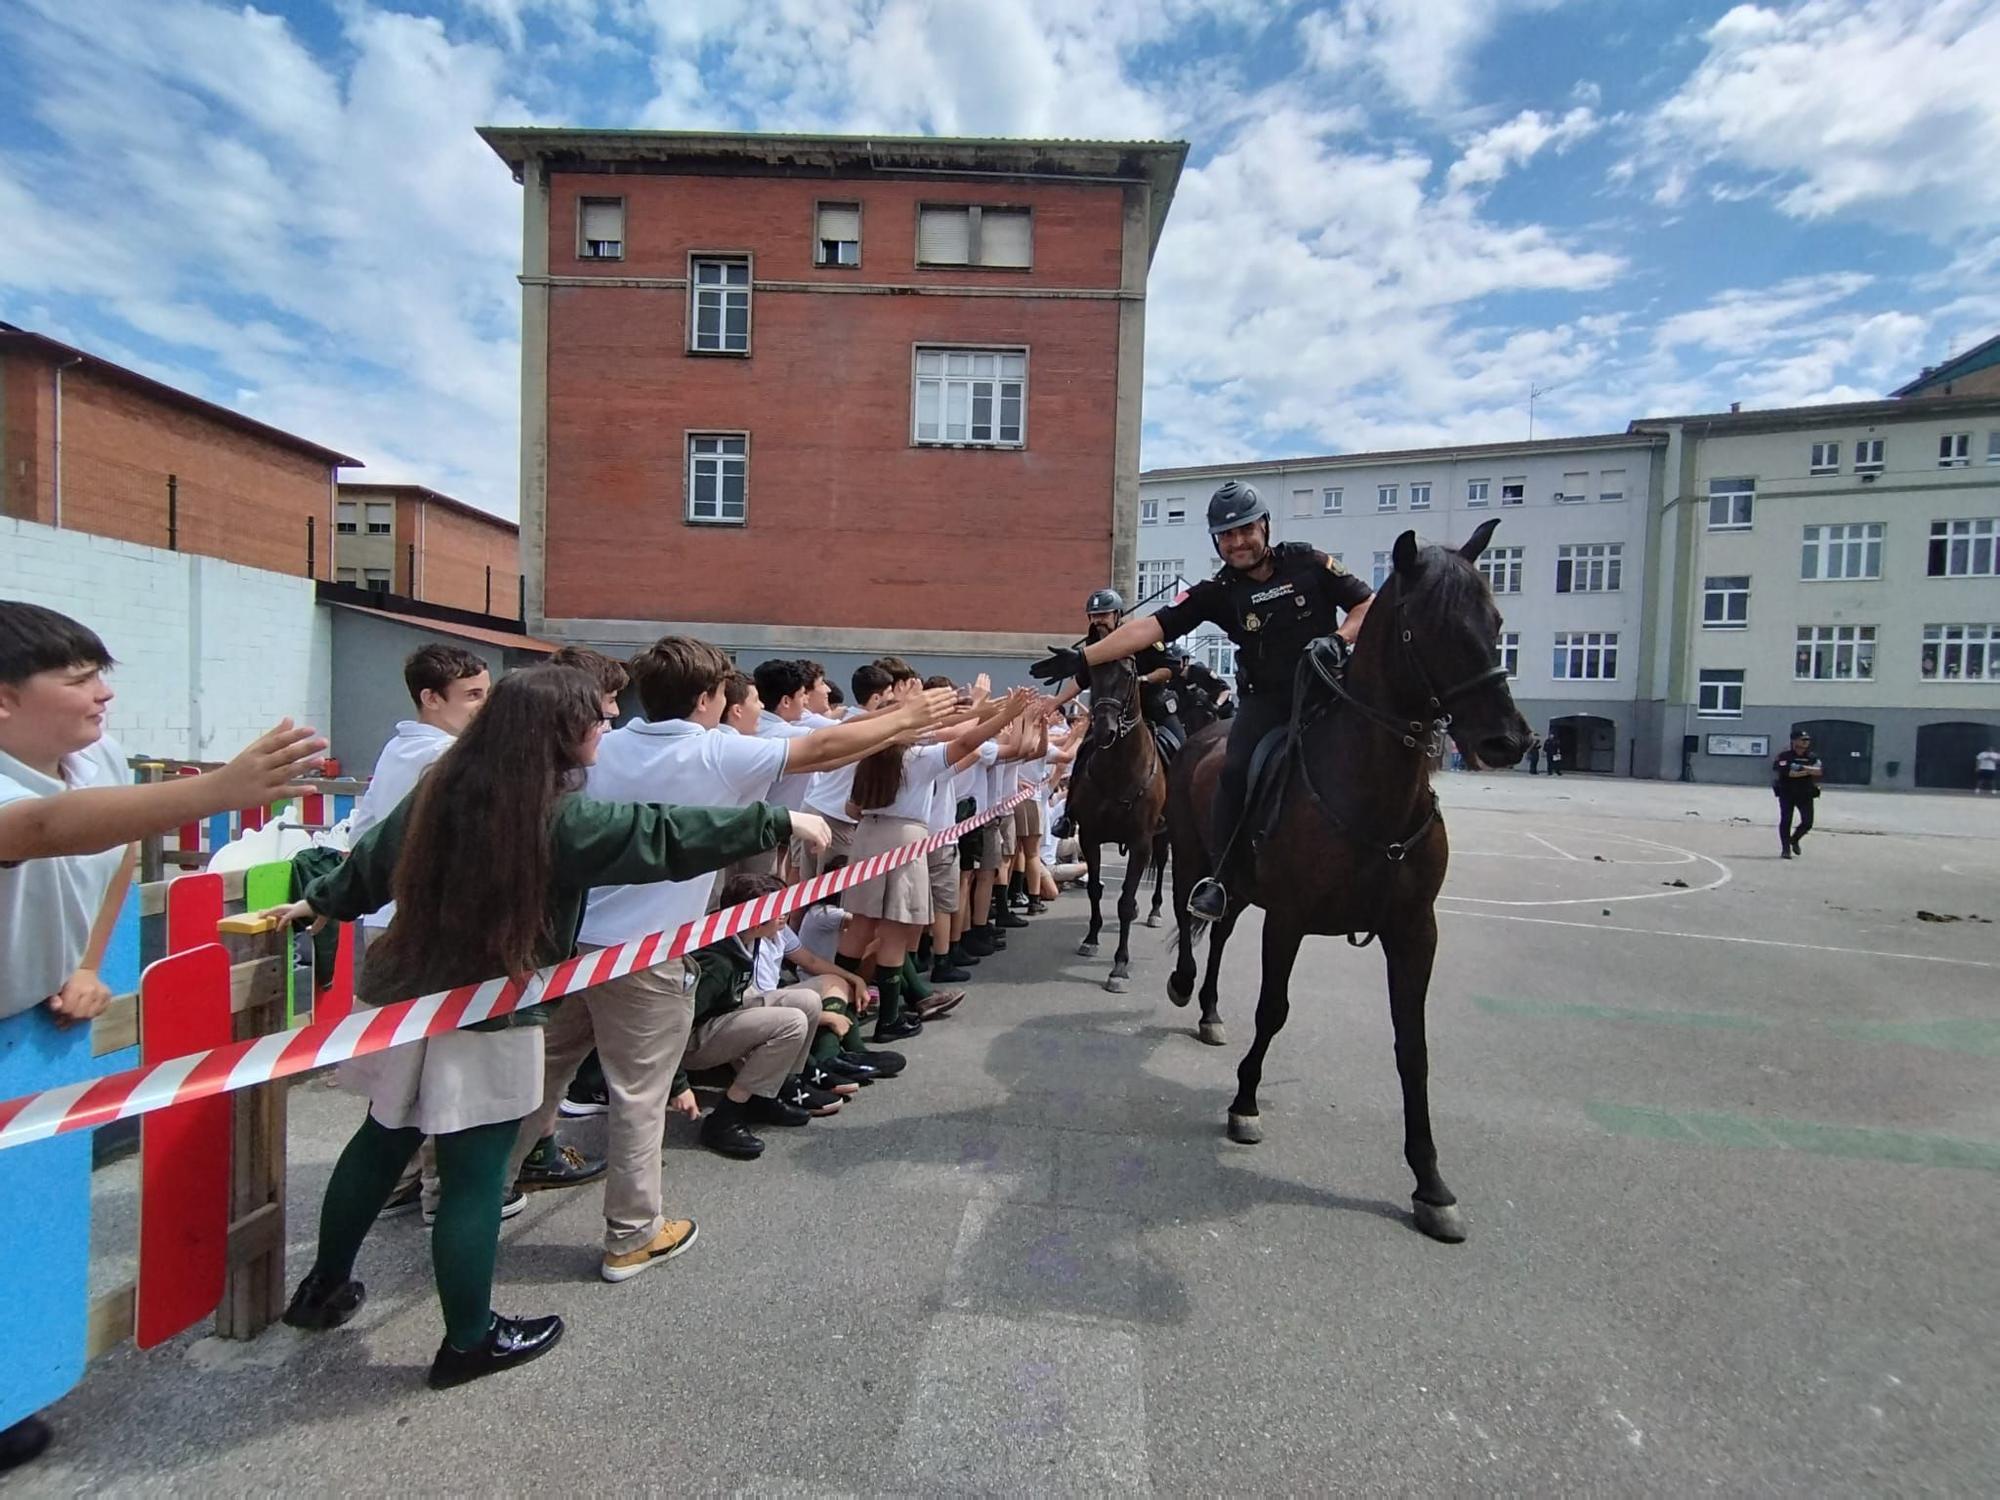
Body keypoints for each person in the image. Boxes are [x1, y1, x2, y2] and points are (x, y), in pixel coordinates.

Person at [267, 665, 812, 1382]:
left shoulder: (449, 781)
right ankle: (468, 1340)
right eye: (598, 717)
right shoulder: (552, 814)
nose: (609, 727)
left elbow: (371, 862)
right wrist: (775, 819)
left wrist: (320, 902)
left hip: (403, 996)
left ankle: (322, 1287)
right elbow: (659, 835)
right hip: (488, 1011)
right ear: (561, 732)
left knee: (382, 1135)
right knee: (473, 1176)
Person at [1, 602, 326, 1474]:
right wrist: (214, 792)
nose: (103, 695)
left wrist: (79, 962)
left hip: (27, 1027)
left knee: (27, 1224)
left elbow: (110, 849)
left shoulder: (91, 761)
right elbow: (31, 832)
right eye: (77, 681)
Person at [1031, 481, 1374, 921]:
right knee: (1232, 772)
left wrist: (1339, 639)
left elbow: (1367, 603)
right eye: (1226, 535)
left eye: (1245, 530)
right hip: (1265, 703)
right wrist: (1085, 656)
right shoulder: (1217, 591)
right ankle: (1223, 878)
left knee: (1381, 749)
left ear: (1265, 526)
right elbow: (1150, 627)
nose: (1237, 542)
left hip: (1327, 694)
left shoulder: (1310, 562)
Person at [1772, 730, 1822, 859]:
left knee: (1808, 822)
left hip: (1805, 793)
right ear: (1794, 741)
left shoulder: (1812, 756)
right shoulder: (1784, 756)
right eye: (1803, 739)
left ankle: (1794, 839)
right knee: (1786, 820)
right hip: (1787, 792)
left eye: (1807, 740)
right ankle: (1785, 849)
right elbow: (1789, 774)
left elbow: (1819, 771)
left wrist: (1801, 768)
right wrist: (1809, 770)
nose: (1806, 742)